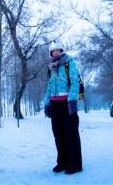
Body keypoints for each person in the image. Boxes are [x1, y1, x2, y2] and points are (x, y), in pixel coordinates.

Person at [43, 42, 83, 175]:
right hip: (55, 104)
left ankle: (75, 164)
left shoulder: (68, 63)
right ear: (51, 54)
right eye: (53, 51)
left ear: (61, 51)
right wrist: (47, 102)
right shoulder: (51, 67)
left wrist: (72, 101)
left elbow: (75, 81)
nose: (55, 53)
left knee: (70, 134)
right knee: (58, 134)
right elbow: (49, 86)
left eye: (57, 50)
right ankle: (62, 162)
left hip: (67, 103)